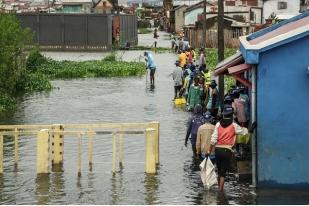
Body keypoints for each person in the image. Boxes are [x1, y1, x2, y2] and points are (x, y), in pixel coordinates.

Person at [207, 105, 254, 192]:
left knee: (219, 170)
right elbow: (244, 132)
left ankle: (218, 189)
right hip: (227, 151)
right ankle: (220, 192)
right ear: (232, 114)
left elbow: (213, 139)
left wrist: (209, 151)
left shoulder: (218, 124)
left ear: (224, 114)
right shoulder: (234, 125)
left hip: (217, 150)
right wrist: (250, 129)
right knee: (223, 173)